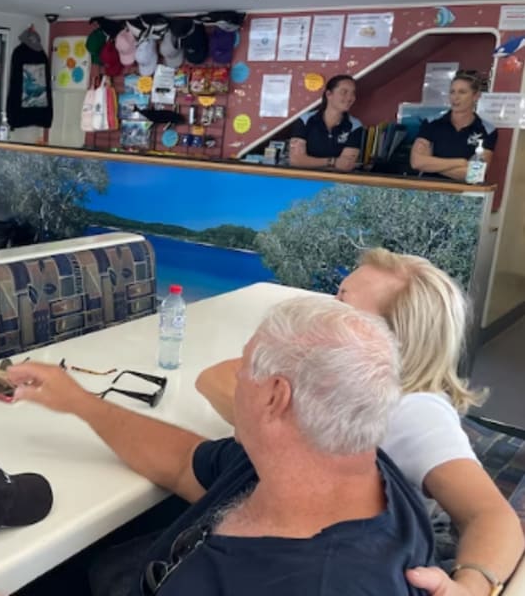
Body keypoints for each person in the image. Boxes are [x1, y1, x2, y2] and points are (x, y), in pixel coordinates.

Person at [1, 297, 433, 595]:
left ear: (275, 397)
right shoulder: (321, 462)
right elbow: (181, 462)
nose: (236, 379)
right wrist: (80, 403)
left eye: (243, 368)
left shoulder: (318, 582)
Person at [197, 249, 524, 596]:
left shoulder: (414, 412)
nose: (325, 305)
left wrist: (470, 588)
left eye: (341, 300)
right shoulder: (351, 393)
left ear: (387, 338)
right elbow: (214, 379)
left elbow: (492, 516)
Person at [410, 69, 497, 182]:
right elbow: (416, 162)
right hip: (429, 188)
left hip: (464, 194)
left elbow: (475, 175)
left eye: (462, 92)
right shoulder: (432, 123)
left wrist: (431, 164)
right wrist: (460, 162)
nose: (455, 97)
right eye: (452, 92)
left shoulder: (487, 130)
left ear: (476, 96)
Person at [287, 74, 363, 171]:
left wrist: (308, 162)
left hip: (334, 183)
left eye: (353, 93)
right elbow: (296, 161)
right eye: (344, 92)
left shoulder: (355, 126)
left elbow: (344, 166)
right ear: (329, 94)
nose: (350, 98)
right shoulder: (305, 120)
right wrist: (333, 162)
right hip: (304, 180)